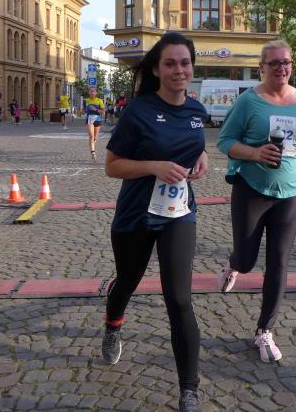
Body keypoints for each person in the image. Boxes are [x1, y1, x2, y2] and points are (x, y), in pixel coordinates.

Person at [217, 39, 296, 363]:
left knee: (279, 262)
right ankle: (234, 264)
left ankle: (264, 331)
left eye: (286, 62)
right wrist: (255, 153)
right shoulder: (248, 101)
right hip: (251, 189)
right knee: (247, 260)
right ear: (262, 67)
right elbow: (225, 141)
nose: (281, 68)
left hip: (290, 192)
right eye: (274, 63)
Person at [103, 32, 208, 412]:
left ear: (192, 66)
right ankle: (113, 324)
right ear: (156, 69)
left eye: (185, 63)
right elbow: (112, 166)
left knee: (179, 298)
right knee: (127, 282)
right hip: (136, 214)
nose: (179, 70)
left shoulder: (197, 111)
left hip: (178, 214)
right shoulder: (139, 110)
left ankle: (189, 391)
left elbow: (195, 147)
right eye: (170, 63)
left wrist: (202, 159)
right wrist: (154, 167)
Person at [85, 87, 105, 160]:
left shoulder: (99, 100)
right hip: (89, 119)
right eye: (91, 91)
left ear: (96, 93)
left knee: (95, 137)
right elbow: (84, 110)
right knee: (91, 136)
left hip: (97, 119)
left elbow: (103, 112)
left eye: (93, 91)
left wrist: (95, 109)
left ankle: (93, 143)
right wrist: (82, 111)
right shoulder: (86, 101)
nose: (92, 92)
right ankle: (93, 152)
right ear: (89, 92)